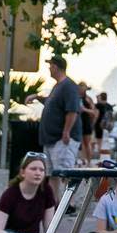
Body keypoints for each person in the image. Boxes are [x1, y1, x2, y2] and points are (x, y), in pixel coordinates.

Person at [27, 56, 81, 199]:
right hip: (50, 139)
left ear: (56, 67)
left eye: (50, 65)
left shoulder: (69, 86)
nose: (49, 69)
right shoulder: (57, 86)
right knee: (52, 174)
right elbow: (53, 104)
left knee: (64, 173)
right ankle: (53, 204)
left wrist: (66, 131)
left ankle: (69, 204)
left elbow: (72, 110)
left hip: (61, 140)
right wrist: (37, 97)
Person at [78, 82, 98, 165]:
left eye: (82, 88)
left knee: (87, 143)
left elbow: (94, 112)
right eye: (80, 88)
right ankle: (83, 160)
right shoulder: (76, 98)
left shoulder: (88, 99)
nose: (81, 89)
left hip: (86, 123)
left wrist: (84, 109)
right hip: (78, 123)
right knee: (81, 143)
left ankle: (89, 162)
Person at [94, 91, 114, 156]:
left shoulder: (98, 105)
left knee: (99, 143)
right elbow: (111, 117)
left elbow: (96, 115)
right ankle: (107, 157)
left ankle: (101, 157)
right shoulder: (109, 106)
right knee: (106, 143)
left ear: (100, 97)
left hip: (99, 125)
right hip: (107, 127)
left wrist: (92, 124)